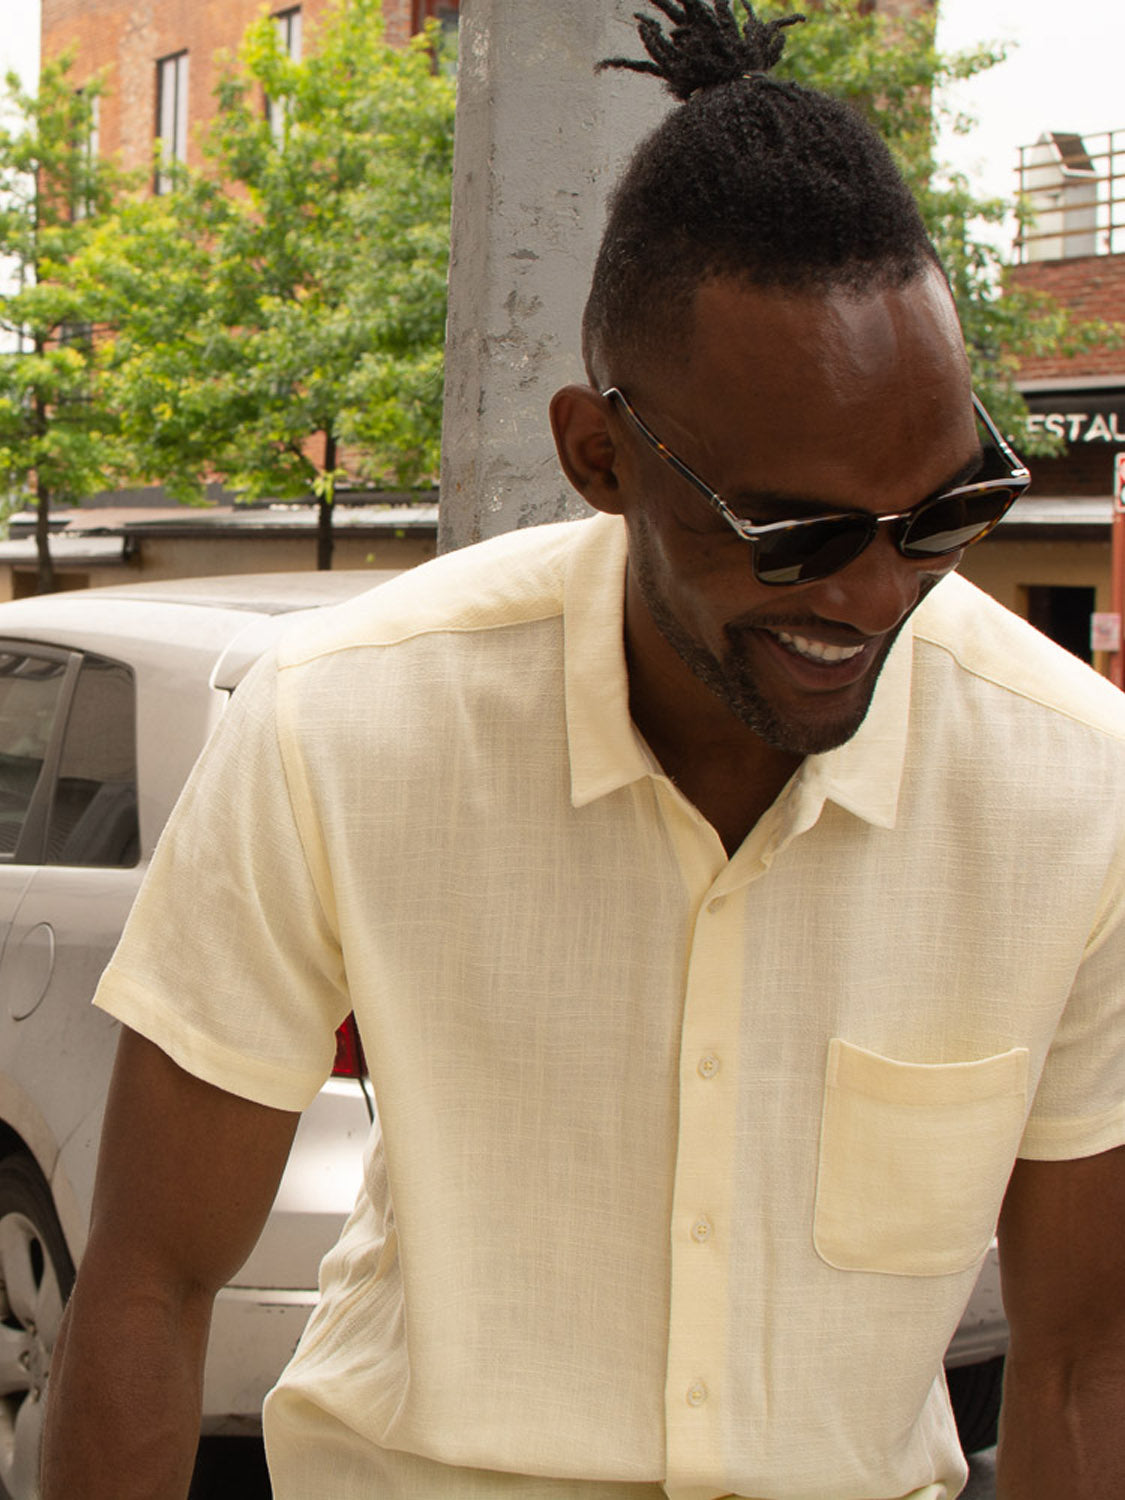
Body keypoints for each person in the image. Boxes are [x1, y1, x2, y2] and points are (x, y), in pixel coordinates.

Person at [43, 3, 1125, 1498]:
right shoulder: (340, 727)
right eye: (793, 534)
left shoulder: (1075, 788)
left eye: (945, 513)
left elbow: (1083, 1366)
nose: (876, 597)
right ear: (597, 457)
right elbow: (150, 1286)